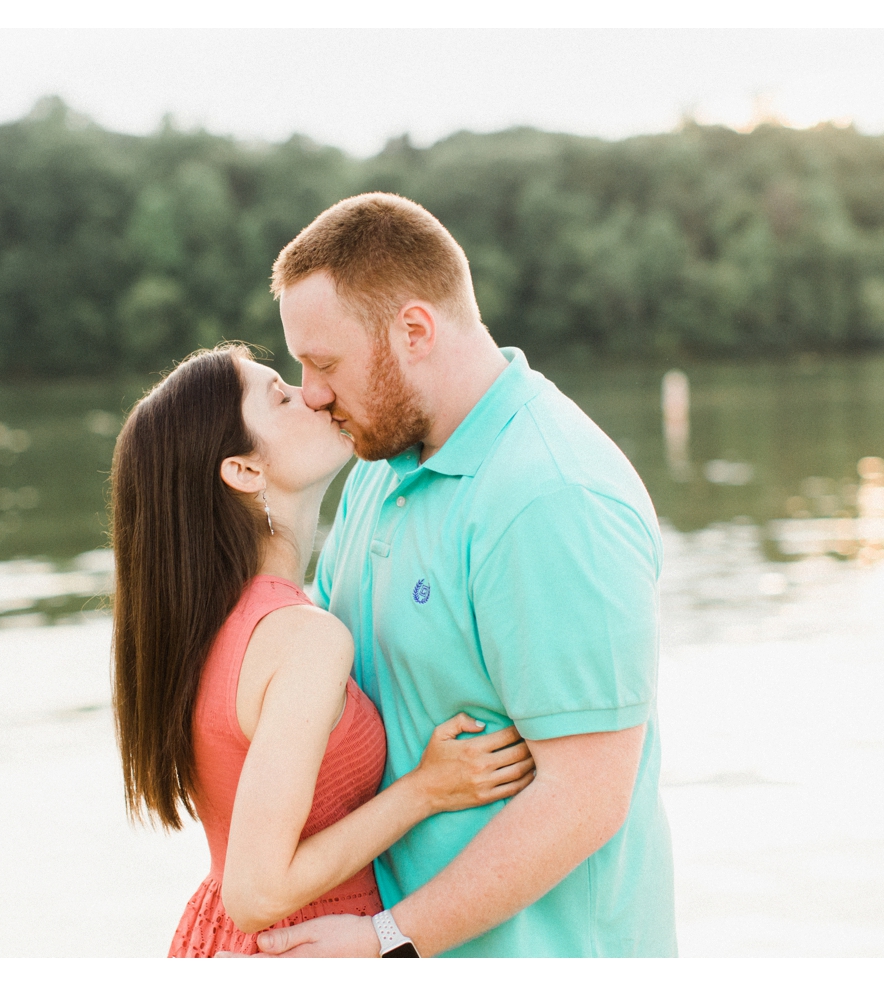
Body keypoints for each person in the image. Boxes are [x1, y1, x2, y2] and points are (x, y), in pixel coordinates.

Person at [249, 192, 676, 957]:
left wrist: (389, 941)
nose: (310, 393)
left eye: (324, 364)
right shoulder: (384, 466)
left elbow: (585, 798)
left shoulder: (551, 495)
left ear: (414, 330)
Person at [108, 344, 536, 957]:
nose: (312, 395)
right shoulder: (300, 638)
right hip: (305, 943)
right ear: (244, 471)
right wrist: (424, 791)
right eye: (280, 395)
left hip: (225, 940)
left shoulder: (207, 623)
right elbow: (256, 891)